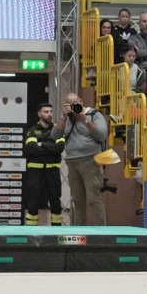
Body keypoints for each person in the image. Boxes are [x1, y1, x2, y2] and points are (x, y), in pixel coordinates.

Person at [55, 92, 109, 226]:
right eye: (69, 104)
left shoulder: (94, 114)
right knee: (77, 200)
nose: (73, 107)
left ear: (81, 101)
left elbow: (102, 135)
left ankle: (101, 231)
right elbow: (54, 136)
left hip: (91, 161)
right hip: (72, 162)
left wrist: (84, 120)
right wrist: (63, 118)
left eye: (75, 104)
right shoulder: (67, 118)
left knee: (93, 198)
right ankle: (79, 229)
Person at [22, 103, 65, 226]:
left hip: (53, 171)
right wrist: (50, 146)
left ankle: (56, 230)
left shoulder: (57, 130)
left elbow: (59, 148)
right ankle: (32, 231)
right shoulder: (32, 130)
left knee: (55, 200)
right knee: (33, 201)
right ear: (39, 114)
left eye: (51, 111)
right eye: (46, 112)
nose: (49, 114)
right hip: (36, 171)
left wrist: (42, 144)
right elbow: (31, 149)